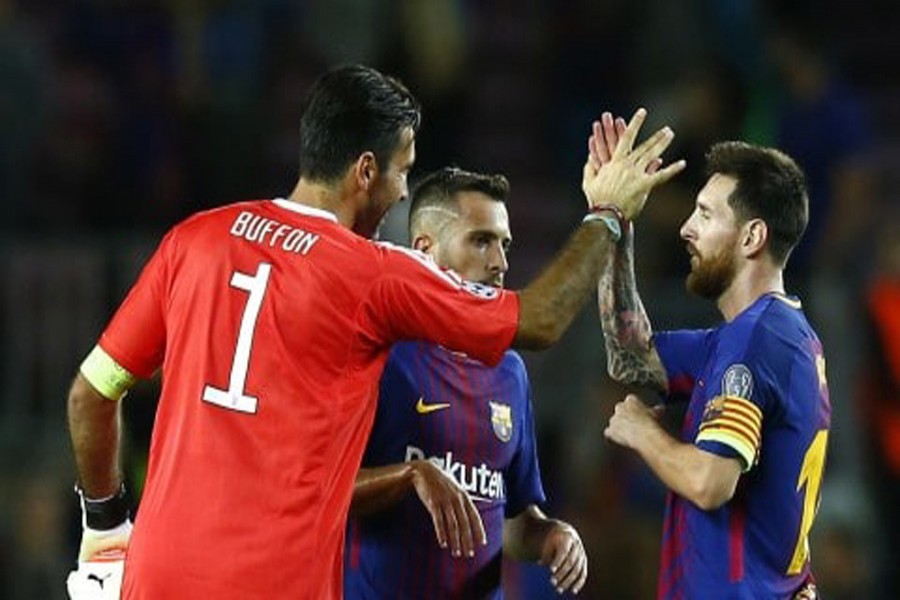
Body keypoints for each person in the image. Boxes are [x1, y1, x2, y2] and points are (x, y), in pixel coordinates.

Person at [65, 65, 684, 599]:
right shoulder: (371, 275)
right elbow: (541, 318)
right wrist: (607, 213)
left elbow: (91, 396)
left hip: (157, 576)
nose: (402, 193)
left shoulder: (192, 240)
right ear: (365, 171)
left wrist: (106, 528)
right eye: (402, 173)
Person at [593, 112, 829, 599]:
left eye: (705, 214)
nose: (685, 228)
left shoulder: (754, 341)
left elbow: (708, 482)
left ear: (751, 237)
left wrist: (644, 433)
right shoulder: (768, 335)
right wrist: (611, 221)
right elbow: (629, 354)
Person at [344, 167, 587, 598]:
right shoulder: (380, 355)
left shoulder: (510, 370)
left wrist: (550, 536)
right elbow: (325, 489)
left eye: (504, 244)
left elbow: (513, 520)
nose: (500, 263)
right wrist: (410, 475)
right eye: (481, 241)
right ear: (425, 250)